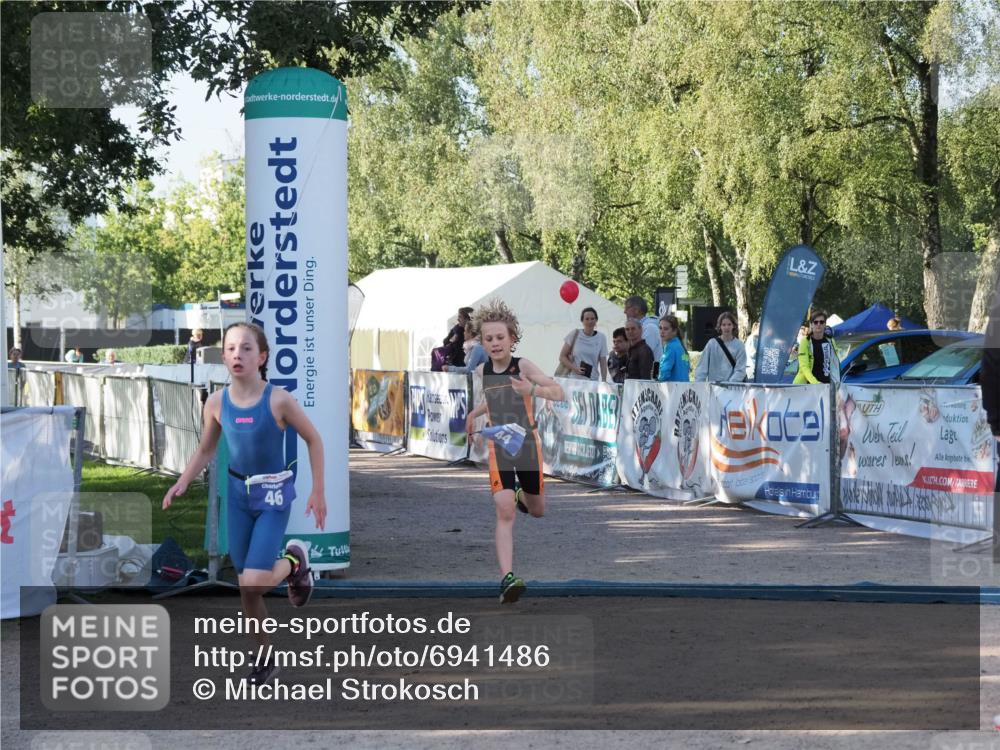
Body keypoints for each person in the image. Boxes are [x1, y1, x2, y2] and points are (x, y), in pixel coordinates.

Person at [162, 322, 327, 685]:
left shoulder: (279, 400)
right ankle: (265, 658)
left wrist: (318, 491)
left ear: (262, 357)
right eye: (231, 348)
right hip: (237, 497)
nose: (238, 354)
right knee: (247, 589)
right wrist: (183, 480)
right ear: (223, 357)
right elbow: (206, 449)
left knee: (253, 583)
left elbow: (314, 440)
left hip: (272, 497)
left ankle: (294, 561)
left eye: (247, 348)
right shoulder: (216, 403)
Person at [464, 299, 565, 604]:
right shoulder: (481, 370)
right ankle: (507, 578)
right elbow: (494, 398)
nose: (495, 343)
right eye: (489, 339)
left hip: (528, 445)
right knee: (504, 509)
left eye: (500, 337)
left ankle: (523, 495)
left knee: (537, 510)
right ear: (482, 342)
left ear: (512, 339)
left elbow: (558, 392)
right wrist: (474, 415)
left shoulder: (523, 366)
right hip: (500, 446)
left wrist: (531, 390)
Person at [558, 307, 608, 382]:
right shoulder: (574, 334)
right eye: (587, 319)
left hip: (592, 380)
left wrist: (604, 380)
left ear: (596, 320)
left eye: (592, 319)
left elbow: (603, 361)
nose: (590, 321)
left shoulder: (601, 337)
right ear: (582, 321)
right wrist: (575, 368)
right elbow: (562, 357)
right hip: (574, 380)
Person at [695, 312, 746, 383]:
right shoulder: (711, 344)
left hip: (731, 387)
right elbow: (702, 367)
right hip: (713, 386)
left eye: (729, 324)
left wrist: (729, 384)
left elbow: (740, 370)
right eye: (723, 325)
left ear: (733, 326)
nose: (726, 327)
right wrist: (699, 385)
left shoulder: (740, 345)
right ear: (720, 326)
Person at [793, 310, 840, 384]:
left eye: (821, 322)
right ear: (811, 324)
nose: (818, 324)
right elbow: (804, 367)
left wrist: (835, 382)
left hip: (826, 385)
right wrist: (816, 383)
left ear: (825, 324)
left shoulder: (831, 341)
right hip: (806, 385)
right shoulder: (805, 341)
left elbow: (834, 363)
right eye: (815, 322)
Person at [624, 295, 662, 361]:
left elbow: (641, 355)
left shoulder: (650, 328)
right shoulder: (645, 326)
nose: (624, 311)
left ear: (636, 310)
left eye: (627, 308)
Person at [656, 315, 690, 382]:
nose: (662, 331)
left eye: (666, 329)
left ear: (674, 331)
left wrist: (657, 376)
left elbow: (664, 373)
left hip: (674, 387)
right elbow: (687, 368)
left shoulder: (670, 347)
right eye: (660, 328)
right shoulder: (681, 347)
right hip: (684, 386)